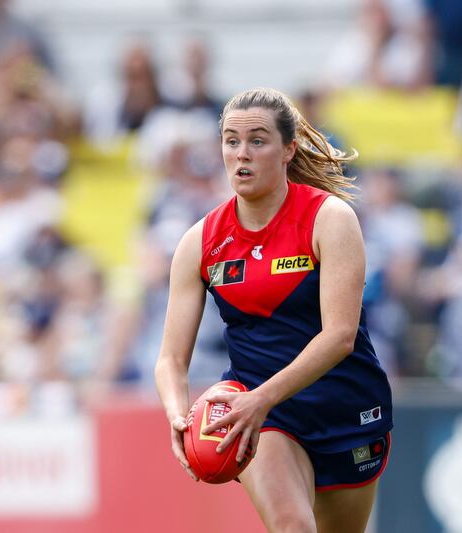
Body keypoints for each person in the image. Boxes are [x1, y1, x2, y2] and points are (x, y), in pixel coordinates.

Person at [155, 88, 393, 532]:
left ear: (288, 149)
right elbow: (170, 359)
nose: (241, 154)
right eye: (231, 141)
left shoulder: (331, 219)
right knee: (292, 527)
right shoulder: (200, 242)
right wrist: (177, 413)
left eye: (257, 141)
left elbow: (339, 336)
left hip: (345, 407)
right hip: (261, 415)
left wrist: (261, 398)